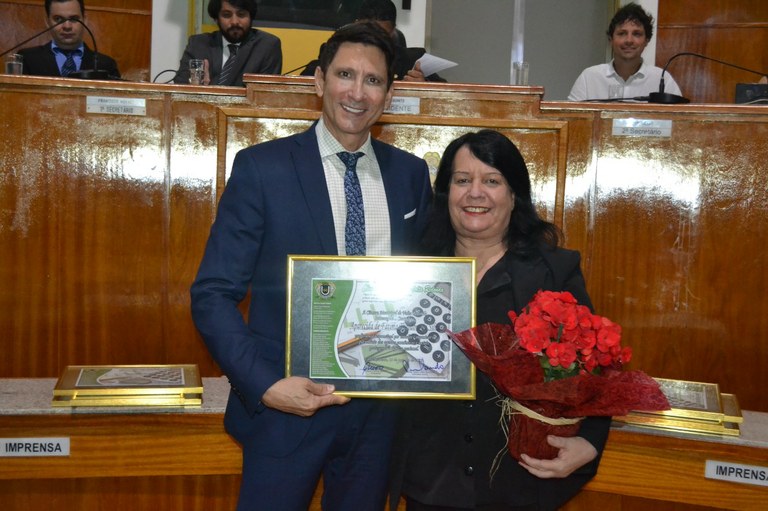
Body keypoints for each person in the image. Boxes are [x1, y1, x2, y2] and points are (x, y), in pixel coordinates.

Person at [190, 21, 432, 511]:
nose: (357, 93)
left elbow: (427, 283)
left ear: (389, 94)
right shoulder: (263, 169)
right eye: (345, 75)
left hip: (380, 417)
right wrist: (266, 386)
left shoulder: (410, 174)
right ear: (319, 81)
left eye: (373, 80)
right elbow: (212, 293)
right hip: (285, 410)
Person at [392, 130, 610, 511]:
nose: (475, 193)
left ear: (514, 196)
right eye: (462, 180)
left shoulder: (554, 273)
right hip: (432, 482)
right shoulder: (408, 272)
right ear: (446, 194)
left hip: (522, 482)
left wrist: (590, 440)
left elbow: (597, 363)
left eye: (492, 181)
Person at [301, 0, 446, 82]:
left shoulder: (412, 61)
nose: (374, 41)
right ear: (356, 26)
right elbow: (305, 81)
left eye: (381, 34)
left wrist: (424, 87)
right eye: (368, 33)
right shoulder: (336, 53)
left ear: (393, 31)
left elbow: (447, 95)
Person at [568, 2, 681, 101]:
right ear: (611, 40)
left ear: (646, 41)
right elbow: (571, 117)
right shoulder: (589, 78)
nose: (629, 40)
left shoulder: (662, 80)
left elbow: (679, 118)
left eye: (636, 34)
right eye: (622, 33)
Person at [175, 0, 282, 86]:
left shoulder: (267, 46)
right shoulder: (198, 44)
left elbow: (263, 95)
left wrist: (209, 92)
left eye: (241, 14)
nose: (234, 22)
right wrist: (197, 88)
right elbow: (181, 86)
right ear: (216, 19)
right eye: (226, 15)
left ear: (251, 17)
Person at [17, 0, 120, 78]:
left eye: (74, 19)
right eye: (58, 19)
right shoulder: (27, 59)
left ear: (85, 20)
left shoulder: (106, 65)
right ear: (47, 22)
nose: (67, 26)